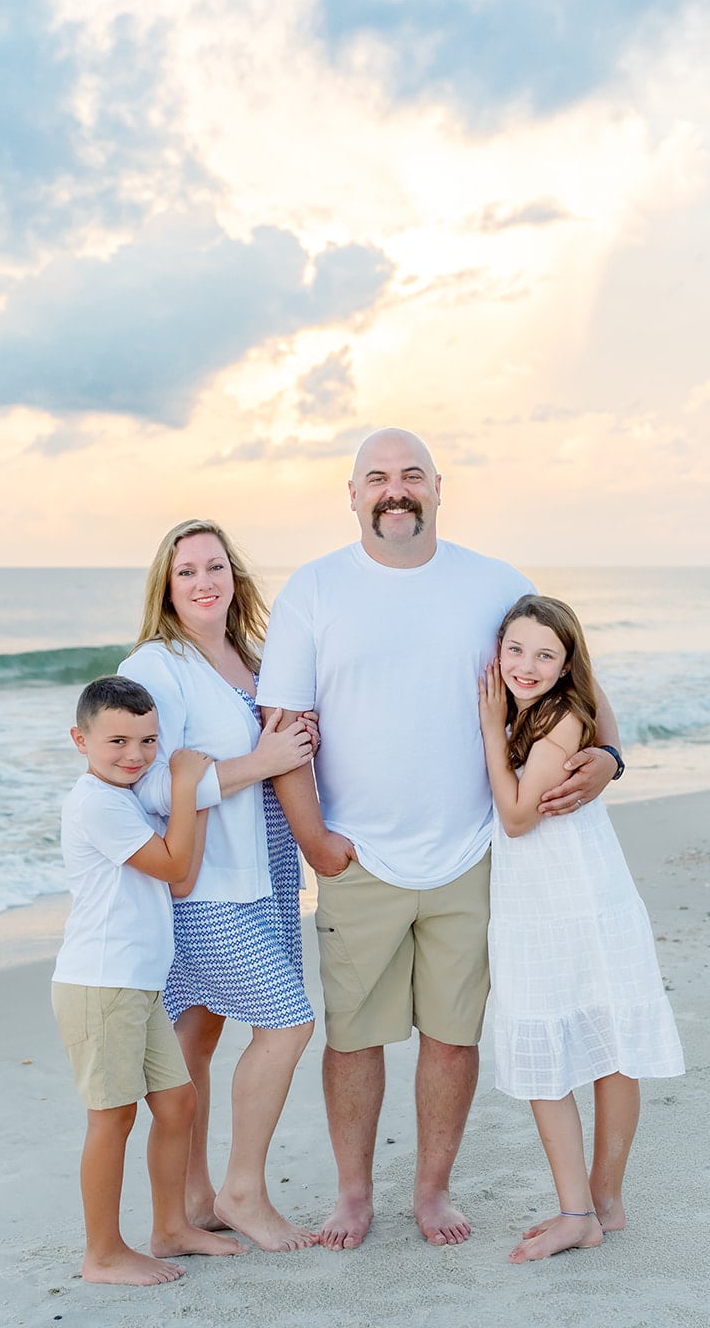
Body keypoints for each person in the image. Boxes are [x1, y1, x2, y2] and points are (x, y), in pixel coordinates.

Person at [257, 427, 625, 1249]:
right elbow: (284, 726)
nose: (396, 489)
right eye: (377, 477)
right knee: (352, 1039)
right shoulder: (314, 591)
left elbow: (579, 684)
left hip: (475, 852)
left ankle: (432, 1191)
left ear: (435, 489)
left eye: (411, 475)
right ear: (351, 495)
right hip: (359, 857)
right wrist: (315, 841)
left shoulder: (494, 585)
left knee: (452, 1038)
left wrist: (607, 755)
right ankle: (353, 1196)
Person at [119, 520, 321, 1252]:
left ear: (233, 574)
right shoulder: (154, 666)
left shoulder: (252, 660)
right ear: (165, 589)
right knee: (288, 1021)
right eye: (185, 572)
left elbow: (280, 753)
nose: (203, 581)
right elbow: (143, 786)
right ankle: (243, 1190)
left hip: (265, 877)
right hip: (205, 884)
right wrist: (261, 762)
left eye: (213, 566)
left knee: (196, 1034)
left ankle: (189, 1202)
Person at [478, 595, 685, 1262]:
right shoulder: (537, 710)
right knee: (588, 1035)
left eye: (544, 654)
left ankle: (584, 1208)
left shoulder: (561, 716)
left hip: (571, 897)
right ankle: (598, 1203)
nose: (526, 665)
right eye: (515, 650)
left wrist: (487, 730)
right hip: (548, 894)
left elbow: (516, 816)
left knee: (590, 1040)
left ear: (568, 662)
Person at [52, 675, 246, 1286]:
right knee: (112, 1117)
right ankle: (102, 1254)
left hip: (138, 986)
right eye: (117, 742)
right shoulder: (98, 802)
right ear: (81, 740)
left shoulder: (129, 797)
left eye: (147, 741)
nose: (135, 755)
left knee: (177, 1101)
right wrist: (187, 784)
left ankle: (170, 1229)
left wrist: (196, 797)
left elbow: (180, 878)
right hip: (101, 984)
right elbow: (170, 863)